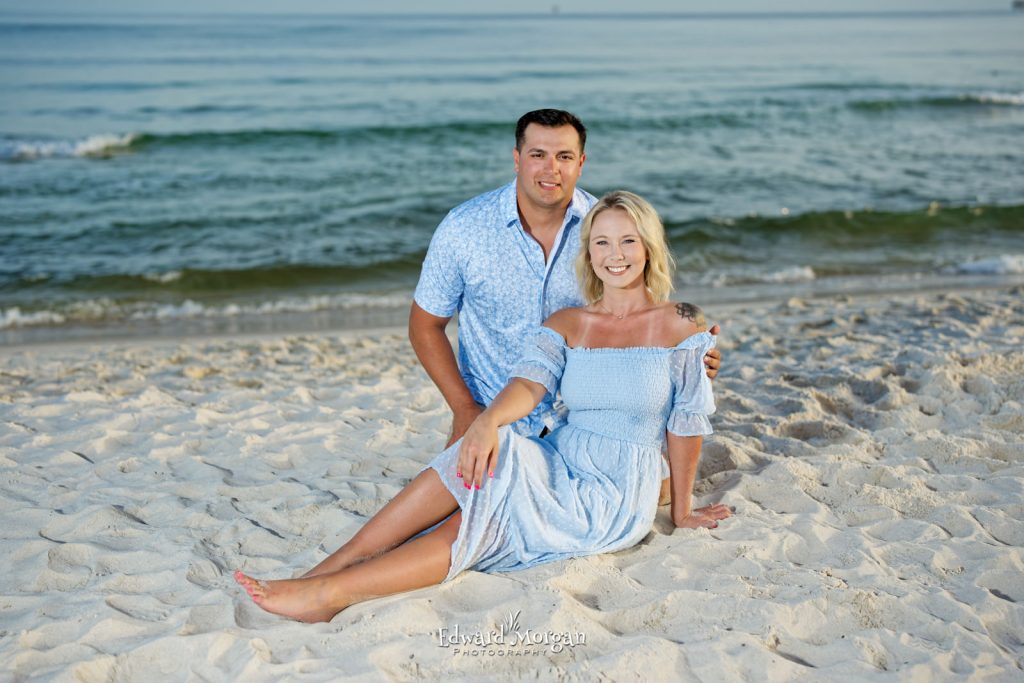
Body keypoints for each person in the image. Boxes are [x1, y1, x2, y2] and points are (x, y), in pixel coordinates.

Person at [235, 190, 732, 623]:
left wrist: (683, 512)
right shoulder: (569, 321)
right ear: (588, 252)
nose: (615, 254)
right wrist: (487, 420)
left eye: (627, 241)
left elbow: (685, 422)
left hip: (613, 489)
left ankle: (328, 592)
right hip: (561, 457)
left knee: (477, 515)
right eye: (601, 242)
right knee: (485, 457)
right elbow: (528, 386)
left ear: (648, 246)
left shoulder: (681, 321)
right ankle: (328, 569)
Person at [409, 108, 721, 503]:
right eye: (538, 154)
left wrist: (690, 360)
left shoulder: (605, 232)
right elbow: (424, 325)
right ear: (517, 158)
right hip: (491, 415)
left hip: (581, 425)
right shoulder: (464, 228)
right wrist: (465, 410)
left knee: (648, 493)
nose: (550, 169)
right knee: (451, 515)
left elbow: (636, 323)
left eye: (564, 157)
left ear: (581, 163)